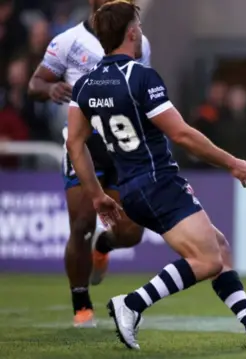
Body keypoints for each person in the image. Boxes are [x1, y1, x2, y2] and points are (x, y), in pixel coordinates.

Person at [65, 1, 246, 351]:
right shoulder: (140, 77)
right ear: (131, 33)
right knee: (207, 261)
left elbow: (74, 144)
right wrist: (233, 162)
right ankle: (132, 304)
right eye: (139, 28)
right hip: (159, 182)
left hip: (131, 189)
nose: (141, 32)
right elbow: (183, 135)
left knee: (217, 246)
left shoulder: (84, 85)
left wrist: (98, 195)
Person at [27, 0, 151, 328]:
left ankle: (105, 245)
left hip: (122, 145)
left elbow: (140, 87)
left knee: (131, 232)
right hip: (83, 142)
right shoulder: (68, 42)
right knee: (81, 223)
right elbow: (35, 84)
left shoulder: (138, 40)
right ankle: (81, 303)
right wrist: (51, 87)